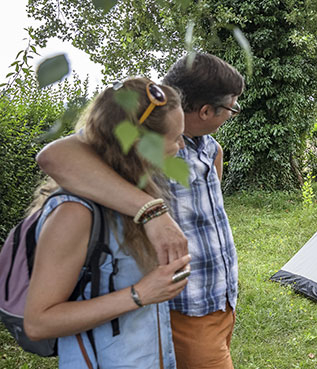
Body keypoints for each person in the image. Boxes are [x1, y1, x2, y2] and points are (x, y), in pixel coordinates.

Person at [36, 53, 245, 369]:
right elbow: (55, 156)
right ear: (205, 110)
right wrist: (153, 212)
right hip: (184, 306)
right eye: (232, 107)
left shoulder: (211, 148)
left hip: (220, 299)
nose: (180, 146)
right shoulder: (140, 156)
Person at [24, 77, 190, 368]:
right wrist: (141, 294)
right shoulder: (74, 213)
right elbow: (38, 323)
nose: (181, 145)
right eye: (176, 137)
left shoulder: (134, 193)